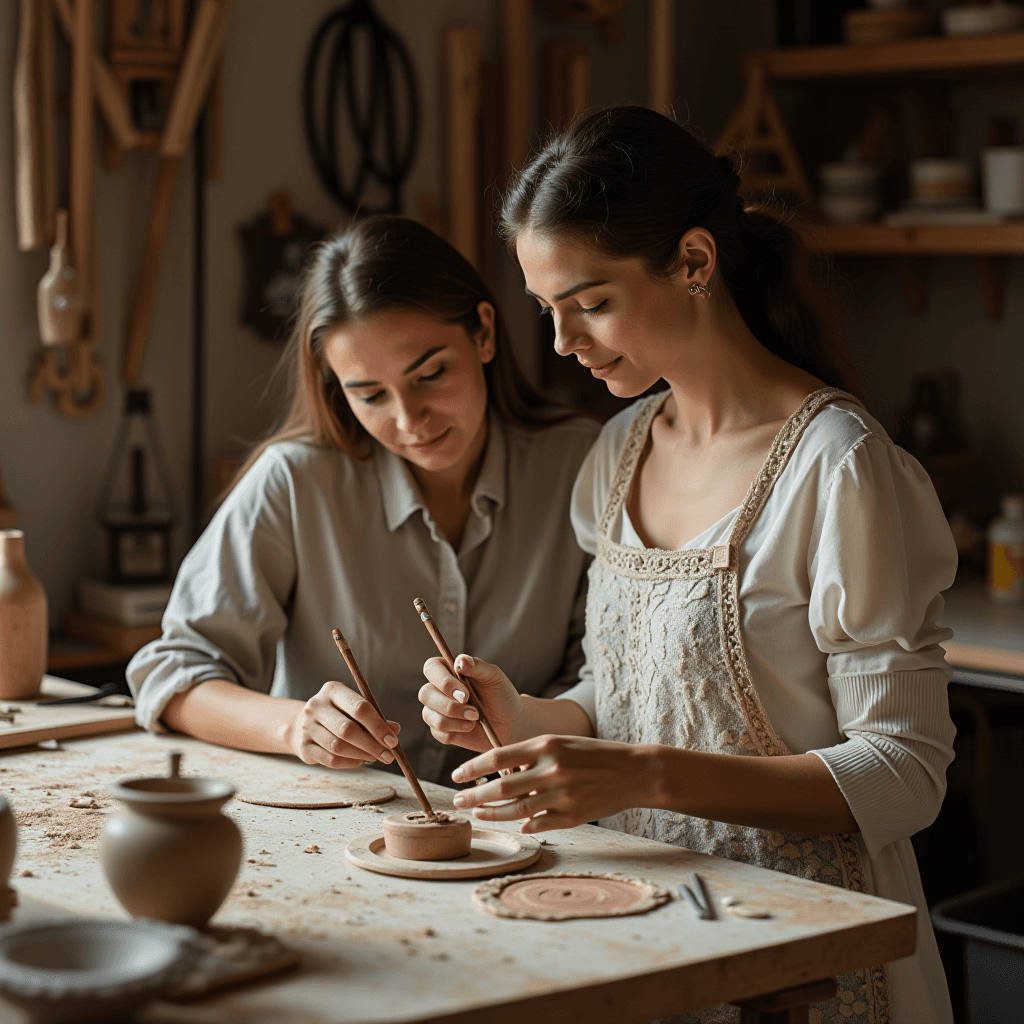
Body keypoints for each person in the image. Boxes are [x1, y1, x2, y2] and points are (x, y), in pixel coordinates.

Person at [418, 107, 956, 1023]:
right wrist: (526, 717)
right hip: (651, 927)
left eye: (590, 303)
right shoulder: (620, 450)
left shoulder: (840, 467)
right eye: (547, 310)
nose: (562, 343)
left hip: (806, 950)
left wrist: (644, 775)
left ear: (696, 263)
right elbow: (627, 697)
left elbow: (904, 772)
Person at [127, 215, 600, 784]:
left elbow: (605, 684)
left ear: (483, 333)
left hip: (523, 824)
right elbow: (170, 674)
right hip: (332, 825)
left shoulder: (583, 464)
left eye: (430, 374)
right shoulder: (295, 481)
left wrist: (524, 721)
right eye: (369, 394)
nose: (409, 420)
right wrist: (296, 727)